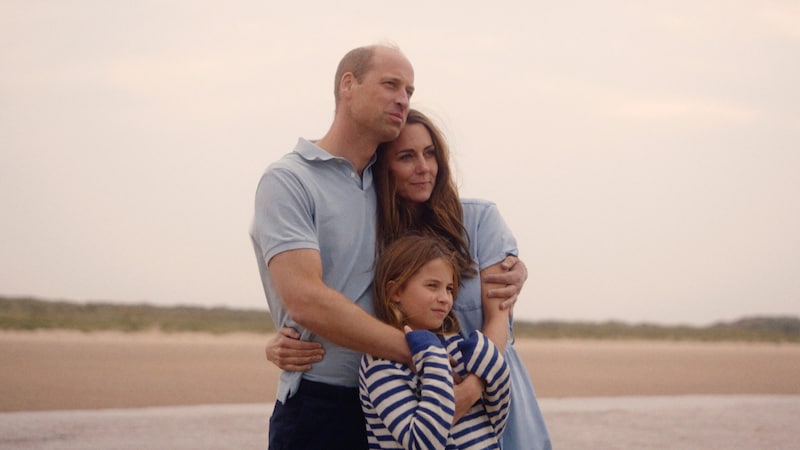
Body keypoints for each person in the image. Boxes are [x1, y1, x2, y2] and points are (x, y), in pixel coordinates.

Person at [251, 45, 525, 449]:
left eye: (409, 91)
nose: (403, 98)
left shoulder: (385, 193)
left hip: (396, 402)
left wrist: (515, 268)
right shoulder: (289, 180)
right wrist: (423, 353)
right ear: (348, 85)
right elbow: (305, 300)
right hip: (324, 399)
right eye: (391, 85)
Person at [360, 233, 511, 449]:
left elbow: (495, 421)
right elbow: (422, 442)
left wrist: (492, 363)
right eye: (432, 286)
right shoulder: (381, 362)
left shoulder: (456, 344)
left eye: (449, 288)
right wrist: (433, 358)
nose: (445, 298)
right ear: (395, 291)